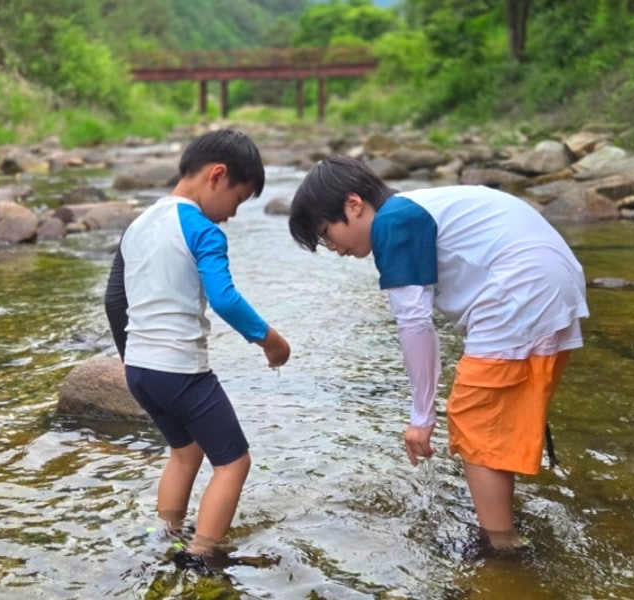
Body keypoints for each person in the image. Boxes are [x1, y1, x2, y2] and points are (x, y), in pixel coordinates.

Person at [288, 155, 588, 553]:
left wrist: (420, 417)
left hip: (521, 290)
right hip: (552, 286)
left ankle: (501, 549)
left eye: (326, 234)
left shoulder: (394, 223)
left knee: (473, 418)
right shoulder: (418, 207)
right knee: (491, 421)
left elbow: (414, 325)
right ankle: (502, 528)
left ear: (353, 205)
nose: (332, 248)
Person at [104, 129, 291, 569]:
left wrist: (134, 359)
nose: (233, 214)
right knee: (234, 463)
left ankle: (163, 534)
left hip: (141, 371)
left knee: (185, 453)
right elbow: (224, 299)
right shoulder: (203, 231)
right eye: (239, 200)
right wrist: (271, 341)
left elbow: (114, 300)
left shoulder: (138, 224)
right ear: (217, 176)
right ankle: (200, 552)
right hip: (182, 372)